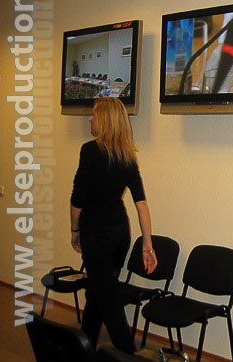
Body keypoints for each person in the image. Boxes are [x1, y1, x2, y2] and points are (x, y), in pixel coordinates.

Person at [70, 97, 157, 354]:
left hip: (96, 235)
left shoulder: (90, 150)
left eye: (94, 115)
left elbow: (77, 198)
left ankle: (128, 355)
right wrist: (147, 245)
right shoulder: (127, 156)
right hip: (120, 236)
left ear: (105, 121)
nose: (90, 119)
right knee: (98, 291)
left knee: (109, 303)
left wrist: (74, 230)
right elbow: (142, 204)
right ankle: (83, 348)